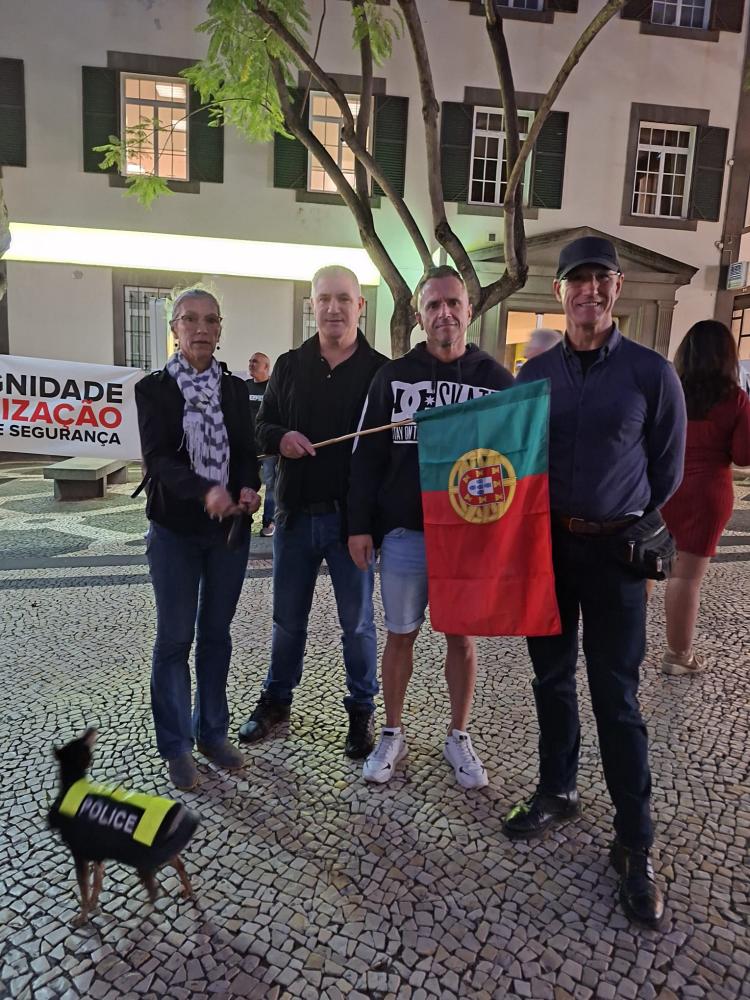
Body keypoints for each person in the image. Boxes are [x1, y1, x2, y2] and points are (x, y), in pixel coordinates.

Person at [505, 237, 686, 928]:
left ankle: (635, 842)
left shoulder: (650, 373)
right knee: (550, 681)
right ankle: (558, 789)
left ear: (616, 289)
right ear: (560, 293)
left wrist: (625, 519)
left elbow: (664, 471)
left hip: (615, 557)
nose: (589, 292)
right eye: (576, 281)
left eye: (601, 280)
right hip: (547, 551)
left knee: (617, 696)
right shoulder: (533, 375)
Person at [347, 265, 514, 790]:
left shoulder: (494, 378)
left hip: (467, 535)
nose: (445, 313)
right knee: (400, 634)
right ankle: (392, 731)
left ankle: (458, 735)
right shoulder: (393, 377)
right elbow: (367, 457)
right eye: (434, 305)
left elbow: (517, 456)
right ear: (419, 316)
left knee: (461, 637)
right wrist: (359, 525)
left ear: (469, 310)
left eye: (453, 303)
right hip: (405, 532)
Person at [238, 265, 388, 758]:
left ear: (360, 305)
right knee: (287, 619)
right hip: (295, 517)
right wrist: (281, 437)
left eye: (344, 298)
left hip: (353, 525)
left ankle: (362, 710)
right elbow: (261, 429)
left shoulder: (379, 371)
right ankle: (277, 699)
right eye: (324, 298)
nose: (333, 308)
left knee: (359, 624)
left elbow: (386, 453)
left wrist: (373, 523)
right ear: (313, 304)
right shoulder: (288, 365)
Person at [136, 289, 261, 791]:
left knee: (216, 636)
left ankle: (211, 732)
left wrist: (248, 486)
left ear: (220, 327)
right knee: (174, 639)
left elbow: (247, 449)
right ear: (174, 328)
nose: (201, 328)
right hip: (174, 533)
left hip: (226, 533)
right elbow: (159, 461)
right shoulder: (155, 390)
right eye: (190, 319)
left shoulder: (233, 388)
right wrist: (205, 490)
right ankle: (175, 746)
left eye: (210, 320)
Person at [661, 320, 750, 675]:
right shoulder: (734, 398)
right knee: (685, 578)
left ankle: (626, 648)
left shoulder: (669, 390)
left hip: (665, 487)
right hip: (707, 493)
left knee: (648, 572)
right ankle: (678, 656)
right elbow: (744, 455)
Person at [247, 351, 277, 537]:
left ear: (266, 367)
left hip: (268, 449)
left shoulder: (273, 388)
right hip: (248, 448)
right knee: (245, 482)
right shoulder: (244, 387)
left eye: (255, 362)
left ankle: (269, 522)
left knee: (271, 485)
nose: (251, 364)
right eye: (250, 361)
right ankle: (244, 519)